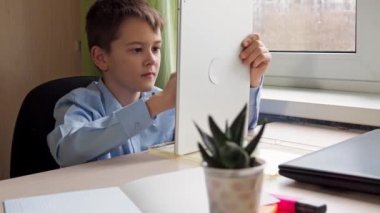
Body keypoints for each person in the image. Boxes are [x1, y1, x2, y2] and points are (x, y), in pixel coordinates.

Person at [47, 0, 271, 167]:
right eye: (137, 49)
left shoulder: (168, 105)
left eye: (156, 48)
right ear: (101, 58)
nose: (151, 59)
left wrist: (250, 83)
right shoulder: (79, 103)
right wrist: (152, 107)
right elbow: (66, 151)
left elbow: (229, 133)